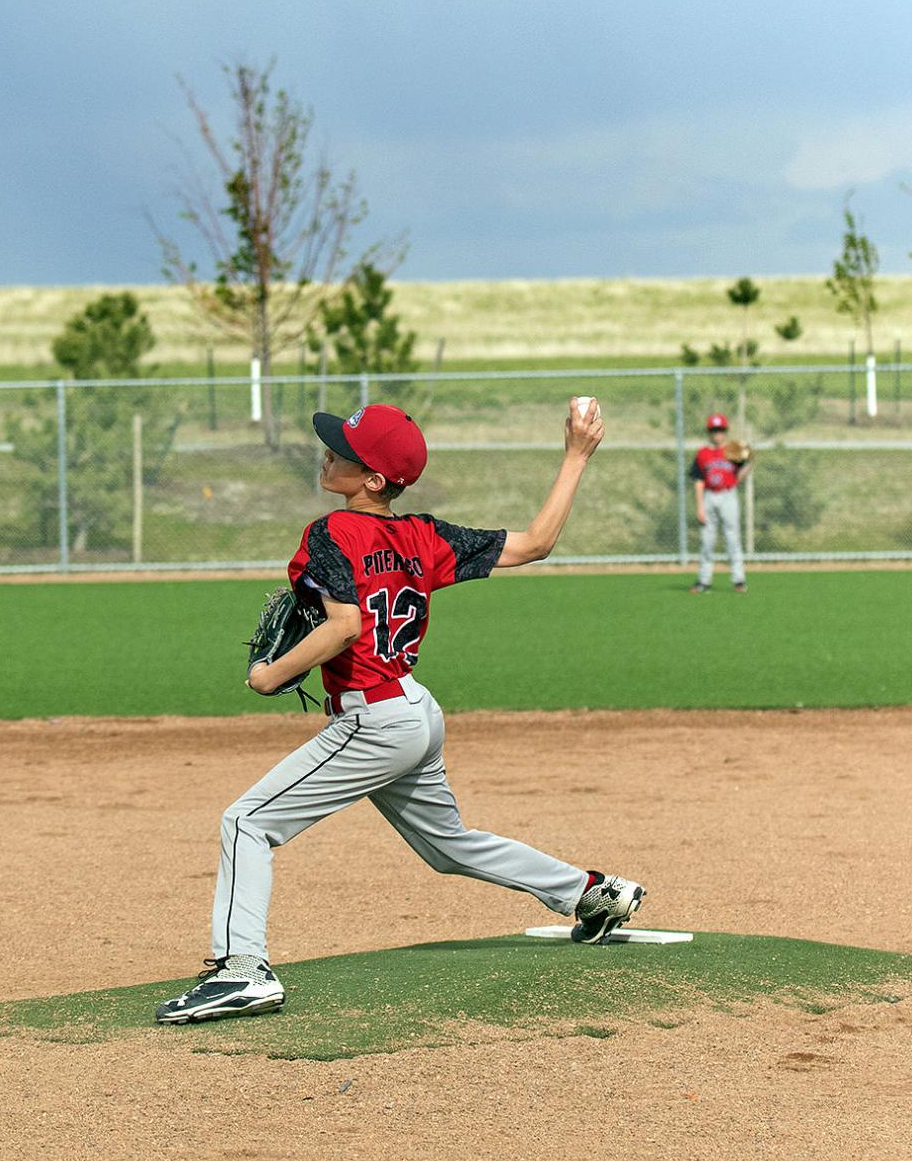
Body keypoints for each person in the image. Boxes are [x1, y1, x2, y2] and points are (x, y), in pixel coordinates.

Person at [156, 398, 647, 1024]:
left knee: (248, 824)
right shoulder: (423, 536)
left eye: (346, 452)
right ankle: (592, 893)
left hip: (375, 721)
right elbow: (536, 544)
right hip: (415, 710)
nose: (329, 452)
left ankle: (242, 971)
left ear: (374, 479)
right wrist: (577, 455)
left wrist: (270, 675)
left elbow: (342, 627)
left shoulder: (330, 532)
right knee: (450, 847)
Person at [689, 411, 749, 593]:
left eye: (720, 429)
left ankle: (739, 580)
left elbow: (739, 477)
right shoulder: (702, 453)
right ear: (709, 431)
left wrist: (749, 463)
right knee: (707, 541)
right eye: (714, 430)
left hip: (728, 494)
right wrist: (699, 506)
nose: (717, 433)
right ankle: (704, 581)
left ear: (725, 431)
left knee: (733, 538)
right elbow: (698, 482)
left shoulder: (732, 451)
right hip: (708, 496)